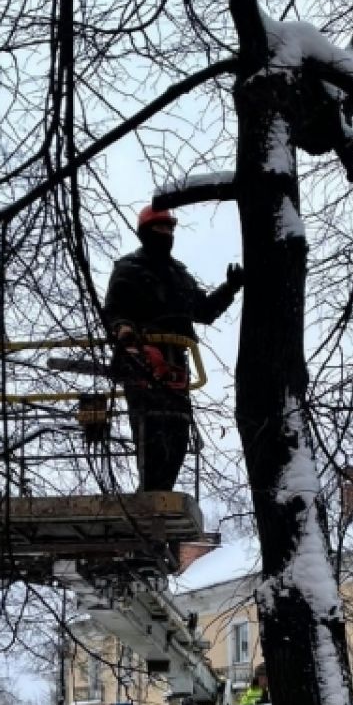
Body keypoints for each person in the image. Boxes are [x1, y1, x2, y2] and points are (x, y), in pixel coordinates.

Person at [102, 205, 243, 491]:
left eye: (170, 229)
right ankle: (151, 491)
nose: (166, 234)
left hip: (176, 363)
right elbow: (114, 311)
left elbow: (203, 311)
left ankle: (160, 491)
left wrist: (230, 288)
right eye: (160, 228)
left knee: (178, 433)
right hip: (143, 360)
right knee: (150, 431)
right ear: (146, 233)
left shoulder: (179, 275)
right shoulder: (128, 269)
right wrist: (124, 330)